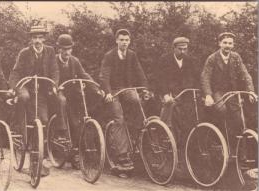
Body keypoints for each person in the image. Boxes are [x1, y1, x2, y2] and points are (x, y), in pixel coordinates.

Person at [9, 25, 60, 176]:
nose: (37, 41)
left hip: (41, 91)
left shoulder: (50, 51)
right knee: (24, 98)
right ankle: (19, 123)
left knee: (43, 120)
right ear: (31, 39)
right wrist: (13, 87)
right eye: (34, 38)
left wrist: (54, 85)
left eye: (40, 37)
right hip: (26, 86)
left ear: (44, 38)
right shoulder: (24, 53)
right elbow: (15, 72)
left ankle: (38, 158)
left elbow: (55, 70)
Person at [99, 29, 149, 172]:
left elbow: (140, 73)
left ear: (129, 41)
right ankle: (122, 156)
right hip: (114, 91)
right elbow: (104, 76)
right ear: (116, 41)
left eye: (127, 40)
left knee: (137, 102)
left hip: (127, 89)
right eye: (121, 40)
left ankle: (137, 139)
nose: (124, 43)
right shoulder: (109, 56)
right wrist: (107, 92)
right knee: (118, 118)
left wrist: (144, 88)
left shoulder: (132, 55)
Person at [201, 32, 255, 157]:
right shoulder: (212, 58)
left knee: (239, 119)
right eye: (225, 43)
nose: (227, 46)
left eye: (230, 43)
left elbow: (245, 74)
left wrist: (251, 91)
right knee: (222, 110)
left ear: (233, 45)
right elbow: (205, 77)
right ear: (219, 43)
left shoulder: (236, 57)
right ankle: (218, 139)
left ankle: (239, 152)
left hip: (232, 92)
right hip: (217, 92)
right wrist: (208, 95)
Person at [55, 34, 103, 169]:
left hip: (73, 95)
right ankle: (65, 138)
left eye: (69, 49)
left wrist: (96, 88)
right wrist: (57, 86)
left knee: (80, 120)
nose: (66, 52)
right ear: (58, 49)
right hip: (58, 94)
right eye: (63, 49)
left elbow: (84, 75)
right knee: (65, 106)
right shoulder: (53, 61)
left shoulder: (74, 61)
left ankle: (79, 152)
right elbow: (51, 76)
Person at [154, 37, 200, 149]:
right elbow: (160, 79)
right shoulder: (164, 60)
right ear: (174, 48)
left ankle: (187, 142)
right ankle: (164, 133)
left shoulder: (189, 60)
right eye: (180, 49)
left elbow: (196, 78)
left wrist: (199, 92)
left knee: (193, 110)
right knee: (170, 105)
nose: (183, 51)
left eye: (185, 49)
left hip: (184, 94)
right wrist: (165, 94)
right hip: (167, 92)